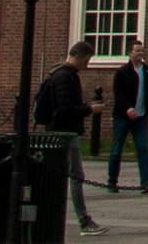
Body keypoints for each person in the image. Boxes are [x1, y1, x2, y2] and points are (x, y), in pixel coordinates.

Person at [33, 40, 105, 233]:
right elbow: (64, 109)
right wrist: (89, 108)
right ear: (79, 57)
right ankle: (83, 220)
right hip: (64, 132)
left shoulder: (60, 73)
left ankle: (50, 217)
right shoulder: (65, 77)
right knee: (75, 175)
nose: (88, 65)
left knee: (62, 175)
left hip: (60, 131)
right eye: (87, 60)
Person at [106, 37, 148, 193]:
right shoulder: (122, 72)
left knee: (143, 148)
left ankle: (146, 181)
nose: (140, 53)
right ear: (130, 53)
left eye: (142, 51)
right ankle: (112, 181)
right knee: (117, 148)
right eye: (137, 51)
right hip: (123, 117)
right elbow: (119, 93)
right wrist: (127, 108)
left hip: (141, 116)